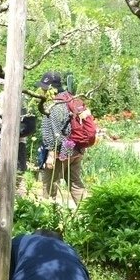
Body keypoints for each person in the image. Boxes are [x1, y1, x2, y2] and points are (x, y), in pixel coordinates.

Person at [38, 72, 87, 204]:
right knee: (75, 184)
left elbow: (56, 133)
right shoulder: (69, 99)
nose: (41, 90)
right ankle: (89, 213)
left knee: (50, 183)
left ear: (51, 88)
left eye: (44, 87)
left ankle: (47, 215)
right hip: (75, 148)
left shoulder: (56, 105)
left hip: (62, 151)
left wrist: (51, 154)